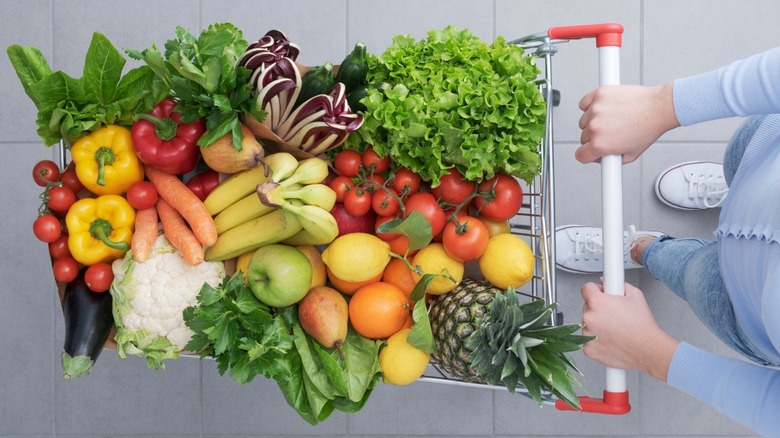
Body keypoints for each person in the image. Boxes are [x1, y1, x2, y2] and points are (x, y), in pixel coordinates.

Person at [554, 45, 780, 437]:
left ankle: (643, 247)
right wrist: (662, 105)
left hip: (745, 303)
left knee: (688, 270)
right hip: (767, 153)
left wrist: (651, 352)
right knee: (739, 158)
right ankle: (733, 190)